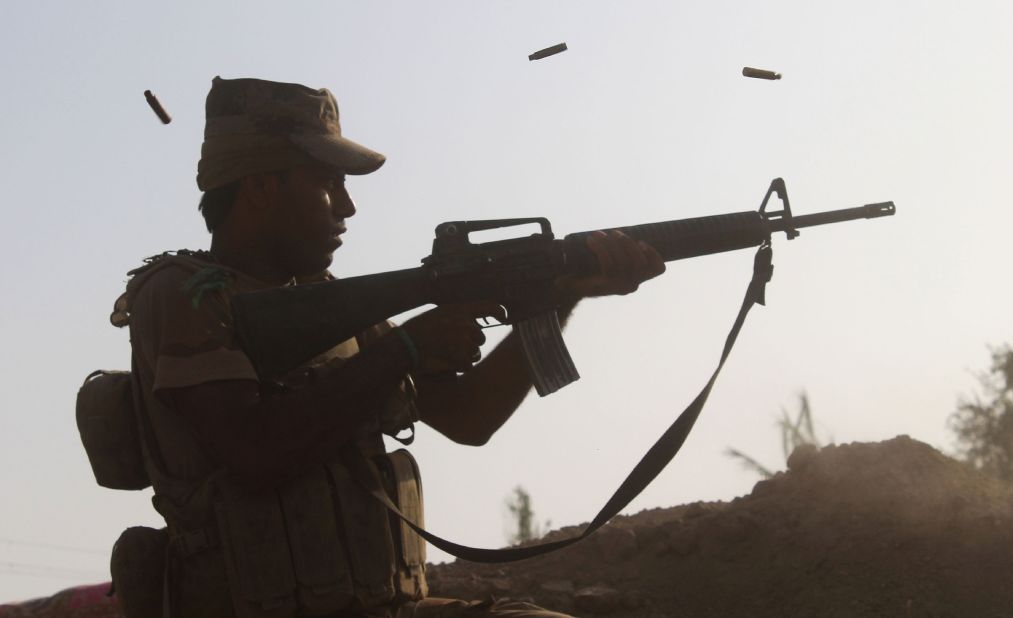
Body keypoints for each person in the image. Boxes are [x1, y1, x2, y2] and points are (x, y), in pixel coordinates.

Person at [111, 76, 664, 618]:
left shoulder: (327, 304)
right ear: (259, 186)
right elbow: (254, 452)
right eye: (328, 183)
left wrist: (560, 295)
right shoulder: (184, 295)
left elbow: (471, 417)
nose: (346, 208)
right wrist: (406, 347)